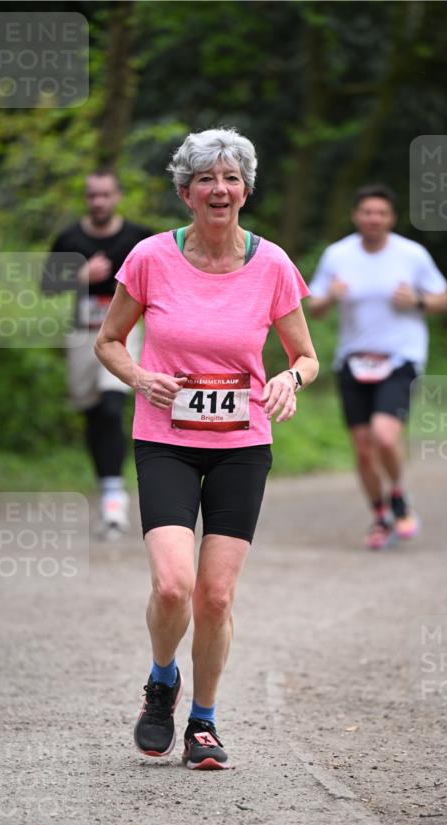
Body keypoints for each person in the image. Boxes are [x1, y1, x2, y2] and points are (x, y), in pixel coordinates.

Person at [94, 128, 319, 770]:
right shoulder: (148, 258)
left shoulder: (272, 264)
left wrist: (287, 378)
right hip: (164, 439)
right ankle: (162, 679)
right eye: (204, 179)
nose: (218, 190)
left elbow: (307, 356)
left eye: (230, 178)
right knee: (173, 586)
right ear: (186, 192)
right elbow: (109, 341)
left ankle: (204, 722)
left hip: (242, 445)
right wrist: (140, 376)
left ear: (245, 189)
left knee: (215, 597)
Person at [309, 184, 447, 550]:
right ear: (356, 216)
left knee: (385, 436)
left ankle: (399, 495)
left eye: (381, 213)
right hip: (353, 360)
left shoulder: (412, 254)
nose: (374, 218)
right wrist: (331, 296)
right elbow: (313, 307)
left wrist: (417, 300)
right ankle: (380, 515)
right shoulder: (337, 255)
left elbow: (445, 298)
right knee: (361, 447)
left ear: (391, 218)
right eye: (367, 212)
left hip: (400, 357)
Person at [43, 170, 153, 536]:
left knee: (111, 404)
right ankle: (108, 485)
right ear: (86, 199)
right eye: (92, 196)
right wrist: (81, 277)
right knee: (93, 414)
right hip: (83, 334)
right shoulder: (69, 238)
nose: (99, 202)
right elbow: (46, 286)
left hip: (124, 334)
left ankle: (114, 499)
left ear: (117, 196)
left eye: (105, 195)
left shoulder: (139, 238)